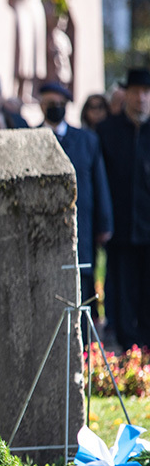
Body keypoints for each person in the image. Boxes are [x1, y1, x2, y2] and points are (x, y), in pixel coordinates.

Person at [37, 82, 112, 311]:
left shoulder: (86, 140)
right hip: (42, 229)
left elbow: (99, 183)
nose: (55, 107)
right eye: (50, 103)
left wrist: (104, 223)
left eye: (60, 103)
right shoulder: (31, 138)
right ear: (41, 105)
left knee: (82, 287)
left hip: (81, 226)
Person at [96, 68, 150, 349]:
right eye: (136, 92)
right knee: (122, 289)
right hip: (121, 227)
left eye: (146, 92)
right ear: (126, 94)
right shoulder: (108, 131)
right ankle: (128, 346)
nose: (141, 98)